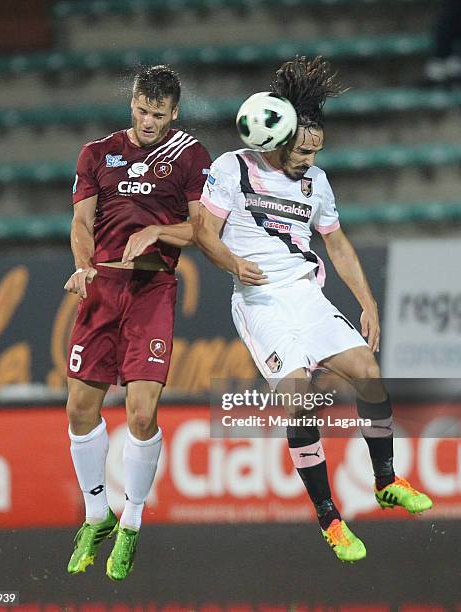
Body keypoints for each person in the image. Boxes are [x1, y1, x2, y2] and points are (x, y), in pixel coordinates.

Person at [193, 56, 432, 563]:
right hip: (261, 303)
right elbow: (202, 235)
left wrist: (367, 302)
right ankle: (329, 517)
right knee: (300, 396)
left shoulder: (315, 183)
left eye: (317, 150)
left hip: (307, 296)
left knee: (368, 372)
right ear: (279, 136)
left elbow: (338, 245)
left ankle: (386, 481)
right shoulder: (231, 168)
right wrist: (235, 262)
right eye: (302, 149)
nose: (309, 158)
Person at [63, 65, 211, 580]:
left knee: (142, 414)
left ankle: (132, 521)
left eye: (159, 114)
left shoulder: (189, 155)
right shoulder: (96, 152)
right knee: (80, 406)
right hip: (102, 286)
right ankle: (95, 513)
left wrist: (158, 233)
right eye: (142, 110)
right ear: (133, 104)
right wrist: (83, 267)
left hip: (152, 291)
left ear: (174, 113)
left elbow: (203, 231)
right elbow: (82, 222)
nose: (148, 122)